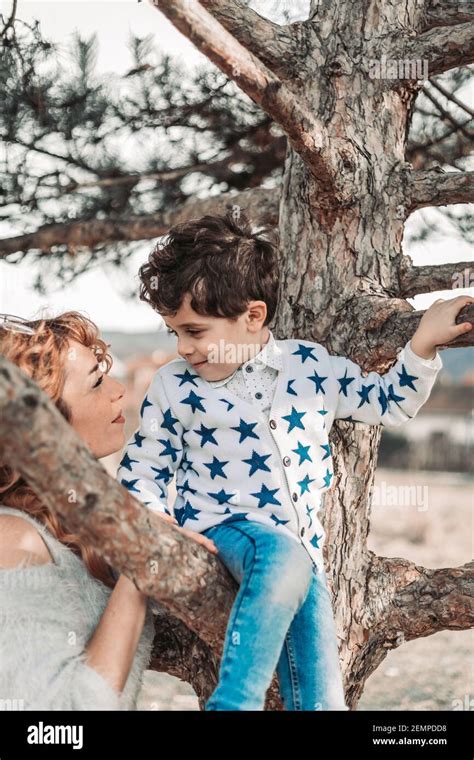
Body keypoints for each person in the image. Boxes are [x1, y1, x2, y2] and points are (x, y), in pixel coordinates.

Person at [117, 210, 473, 710]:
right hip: (223, 534)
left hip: (305, 558)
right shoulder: (174, 386)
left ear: (253, 317)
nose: (182, 347)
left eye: (194, 331)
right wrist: (161, 529)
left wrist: (422, 344)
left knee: (324, 700)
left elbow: (388, 402)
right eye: (173, 332)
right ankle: (232, 704)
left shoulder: (309, 367)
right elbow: (143, 471)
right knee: (278, 554)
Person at [0, 310, 217, 710]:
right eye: (96, 383)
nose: (118, 390)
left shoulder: (70, 525)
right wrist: (142, 564)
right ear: (45, 423)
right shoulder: (13, 540)